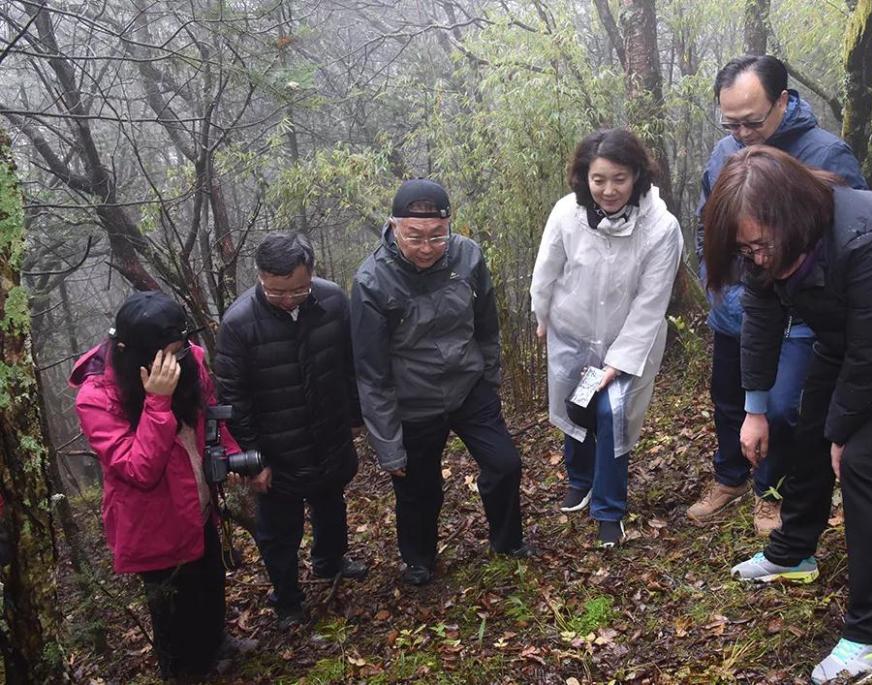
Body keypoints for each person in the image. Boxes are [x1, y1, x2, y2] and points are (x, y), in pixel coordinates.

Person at [702, 146, 872, 684]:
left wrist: (844, 435)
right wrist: (755, 410)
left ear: (792, 217)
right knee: (806, 429)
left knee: (865, 462)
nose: (753, 258)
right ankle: (794, 552)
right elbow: (759, 321)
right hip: (847, 336)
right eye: (743, 249)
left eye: (759, 246)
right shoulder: (765, 244)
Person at [688, 55, 868, 535]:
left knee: (782, 407)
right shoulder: (723, 151)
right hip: (734, 308)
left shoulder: (826, 155)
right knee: (730, 398)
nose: (741, 133)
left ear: (782, 101)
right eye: (731, 122)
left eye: (751, 121)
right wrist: (717, 282)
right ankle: (730, 476)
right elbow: (708, 225)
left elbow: (852, 243)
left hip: (797, 318)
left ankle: (771, 489)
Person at [351, 179, 529, 586]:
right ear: (394, 227)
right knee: (418, 489)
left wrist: (489, 379)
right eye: (415, 237)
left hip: (468, 387)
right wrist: (389, 447)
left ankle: (508, 541)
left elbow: (487, 324)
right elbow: (372, 374)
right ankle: (419, 560)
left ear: (450, 225)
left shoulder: (468, 257)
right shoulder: (371, 282)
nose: (427, 247)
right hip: (413, 401)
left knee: (505, 464)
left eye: (437, 235)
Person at [71, 291, 255, 680]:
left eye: (180, 350)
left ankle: (218, 644)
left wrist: (229, 455)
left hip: (198, 502)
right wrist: (157, 402)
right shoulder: (97, 397)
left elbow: (209, 414)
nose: (176, 361)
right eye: (165, 354)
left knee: (209, 580)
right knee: (174, 612)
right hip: (154, 522)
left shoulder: (191, 360)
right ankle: (187, 671)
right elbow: (138, 468)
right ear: (131, 351)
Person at [530, 129, 683, 548]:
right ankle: (580, 480)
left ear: (637, 175)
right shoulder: (566, 213)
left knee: (611, 415)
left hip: (628, 337)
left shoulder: (661, 228)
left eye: (619, 178)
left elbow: (652, 302)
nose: (609, 190)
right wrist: (541, 314)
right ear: (584, 178)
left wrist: (620, 359)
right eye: (599, 179)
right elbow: (547, 269)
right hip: (573, 330)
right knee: (576, 404)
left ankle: (609, 509)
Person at [214, 232, 366, 628]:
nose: (287, 299)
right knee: (280, 531)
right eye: (276, 291)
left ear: (311, 275)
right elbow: (233, 398)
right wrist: (252, 459)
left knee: (331, 504)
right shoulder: (238, 323)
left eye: (298, 291)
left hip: (328, 432)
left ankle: (330, 562)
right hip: (276, 450)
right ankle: (287, 598)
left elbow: (349, 363)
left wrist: (355, 415)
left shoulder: (332, 300)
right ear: (261, 276)